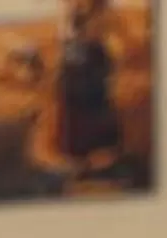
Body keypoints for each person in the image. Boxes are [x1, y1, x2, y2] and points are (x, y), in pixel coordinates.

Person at [53, 0, 125, 173]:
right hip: (78, 59)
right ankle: (80, 157)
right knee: (77, 108)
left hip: (90, 61)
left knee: (94, 105)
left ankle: (98, 155)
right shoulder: (74, 26)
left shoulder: (96, 22)